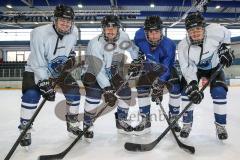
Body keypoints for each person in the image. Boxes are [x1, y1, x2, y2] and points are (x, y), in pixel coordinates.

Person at [18, 4, 82, 147]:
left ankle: (72, 123)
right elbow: (37, 60)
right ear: (55, 20)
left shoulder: (75, 31)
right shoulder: (38, 33)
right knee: (31, 95)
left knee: (74, 93)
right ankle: (25, 128)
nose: (65, 24)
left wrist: (70, 55)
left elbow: (70, 48)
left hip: (58, 69)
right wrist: (43, 82)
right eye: (62, 20)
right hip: (35, 68)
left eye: (68, 21)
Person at [177, 12, 234, 140]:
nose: (195, 33)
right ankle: (187, 124)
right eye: (192, 30)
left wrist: (225, 47)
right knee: (187, 94)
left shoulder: (216, 30)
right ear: (187, 31)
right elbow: (187, 68)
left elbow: (227, 33)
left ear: (204, 28)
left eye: (198, 29)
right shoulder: (183, 46)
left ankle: (220, 125)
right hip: (196, 70)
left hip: (215, 68)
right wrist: (192, 85)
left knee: (219, 91)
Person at [82, 15, 140, 141]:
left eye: (113, 27)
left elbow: (132, 48)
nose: (110, 30)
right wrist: (107, 89)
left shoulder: (124, 36)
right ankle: (87, 123)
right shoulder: (95, 44)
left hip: (112, 71)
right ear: (103, 29)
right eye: (107, 28)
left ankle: (121, 121)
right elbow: (98, 70)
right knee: (94, 95)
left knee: (126, 92)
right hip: (92, 72)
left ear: (118, 28)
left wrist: (137, 59)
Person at [128, 16, 182, 135]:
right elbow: (135, 49)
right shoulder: (139, 36)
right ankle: (145, 121)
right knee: (141, 86)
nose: (153, 35)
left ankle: (174, 118)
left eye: (156, 32)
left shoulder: (169, 45)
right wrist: (137, 58)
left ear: (161, 31)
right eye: (150, 32)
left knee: (176, 88)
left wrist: (160, 84)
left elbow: (167, 67)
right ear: (145, 32)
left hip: (165, 67)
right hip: (150, 65)